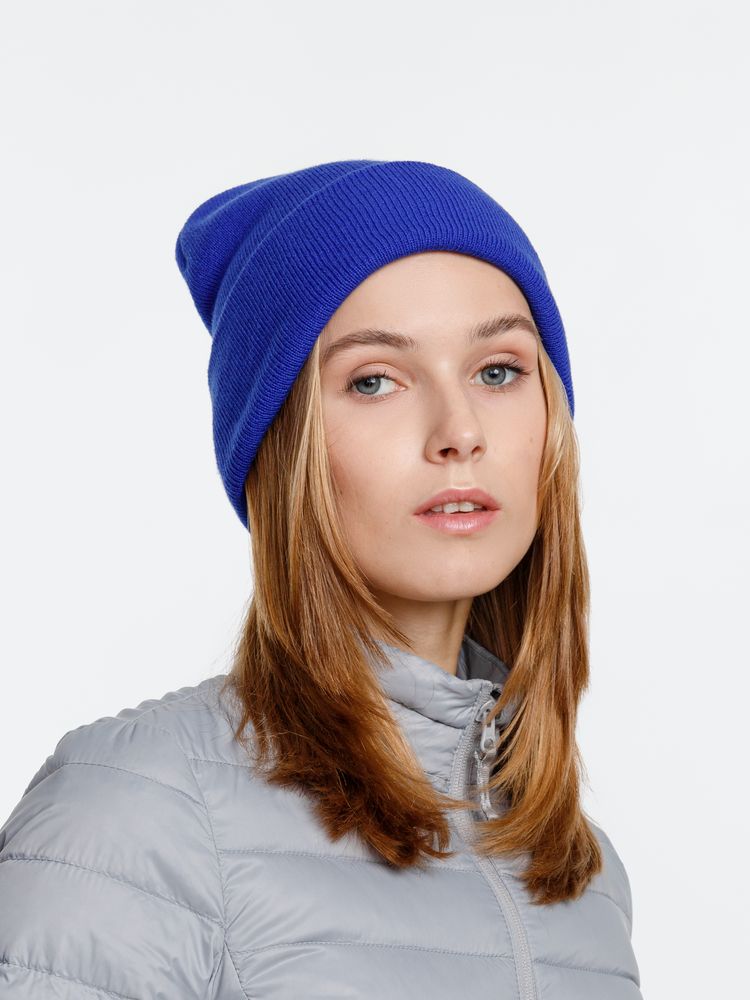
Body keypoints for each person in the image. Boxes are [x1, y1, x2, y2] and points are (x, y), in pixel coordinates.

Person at [0, 159, 643, 998]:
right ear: (283, 446)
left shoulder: (585, 876)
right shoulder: (137, 814)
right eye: (374, 381)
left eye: (498, 371)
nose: (459, 431)